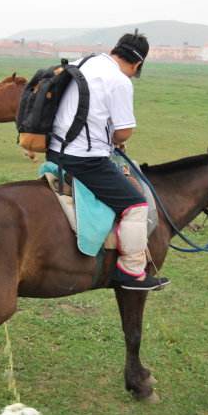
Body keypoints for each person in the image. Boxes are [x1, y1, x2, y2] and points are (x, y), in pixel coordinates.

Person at [46, 32, 169, 291]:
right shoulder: (120, 81)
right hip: (84, 159)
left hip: (56, 150)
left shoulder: (83, 62)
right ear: (138, 64)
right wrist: (115, 138)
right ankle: (132, 270)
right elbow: (123, 132)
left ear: (115, 50)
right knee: (136, 205)